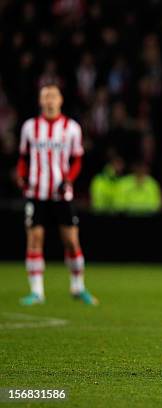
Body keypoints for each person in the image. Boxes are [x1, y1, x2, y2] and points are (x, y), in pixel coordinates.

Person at [16, 84, 98, 306]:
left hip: (63, 194)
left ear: (60, 100)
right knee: (34, 239)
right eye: (45, 96)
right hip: (36, 192)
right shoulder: (29, 127)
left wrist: (69, 179)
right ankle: (37, 292)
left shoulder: (71, 128)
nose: (50, 100)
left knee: (71, 240)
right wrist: (20, 175)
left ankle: (78, 287)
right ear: (40, 101)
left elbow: (78, 159)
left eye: (53, 96)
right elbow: (23, 158)